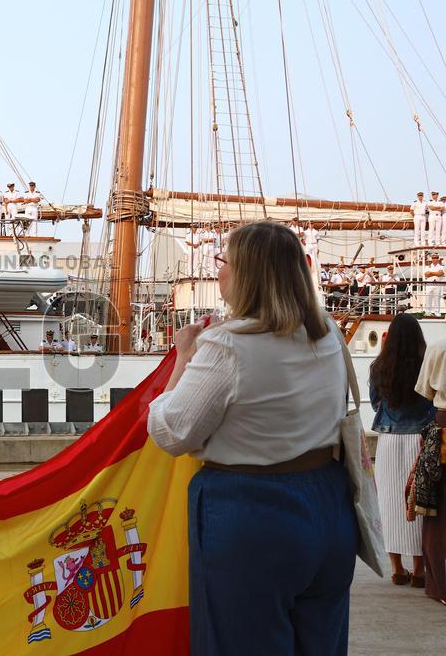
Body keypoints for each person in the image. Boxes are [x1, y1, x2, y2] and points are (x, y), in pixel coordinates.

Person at [148, 221, 358, 655]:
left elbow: (172, 432)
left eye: (224, 261)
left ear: (247, 274)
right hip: (328, 505)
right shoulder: (330, 334)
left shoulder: (228, 346)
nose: (218, 271)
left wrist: (183, 357)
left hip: (250, 512)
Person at [369, 314, 435, 588]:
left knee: (390, 502)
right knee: (419, 501)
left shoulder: (379, 366)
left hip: (388, 441)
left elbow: (375, 404)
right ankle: (419, 571)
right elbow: (433, 399)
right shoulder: (425, 363)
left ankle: (397, 569)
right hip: (418, 440)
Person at [413, 336, 446, 606]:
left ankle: (438, 585)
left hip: (443, 428)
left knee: (437, 512)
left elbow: (425, 390)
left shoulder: (438, 347)